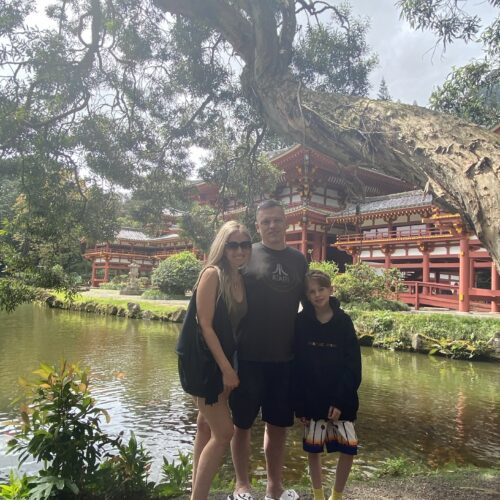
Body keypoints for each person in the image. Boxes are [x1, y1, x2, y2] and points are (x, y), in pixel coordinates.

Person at [229, 200, 308, 500]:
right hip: (247, 356)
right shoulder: (245, 256)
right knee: (242, 424)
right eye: (266, 222)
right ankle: (242, 484)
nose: (272, 226)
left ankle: (274, 486)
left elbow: (309, 305)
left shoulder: (299, 260)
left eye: (277, 220)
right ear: (258, 225)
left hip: (284, 358)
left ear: (286, 222)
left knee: (278, 425)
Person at [184, 221, 253, 500]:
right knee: (224, 433)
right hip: (207, 366)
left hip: (228, 360)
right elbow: (205, 326)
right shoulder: (213, 274)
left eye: (245, 245)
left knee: (205, 425)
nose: (239, 250)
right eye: (233, 245)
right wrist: (226, 370)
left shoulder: (241, 277)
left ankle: (194, 490)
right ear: (222, 247)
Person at [294, 270, 362, 500]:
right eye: (311, 291)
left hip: (341, 396)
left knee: (348, 447)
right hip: (311, 396)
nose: (317, 295)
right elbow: (297, 364)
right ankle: (318, 494)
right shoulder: (301, 322)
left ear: (330, 289)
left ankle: (337, 495)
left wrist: (341, 400)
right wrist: (299, 405)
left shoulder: (343, 321)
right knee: (313, 449)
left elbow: (353, 365)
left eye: (321, 289)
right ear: (306, 295)